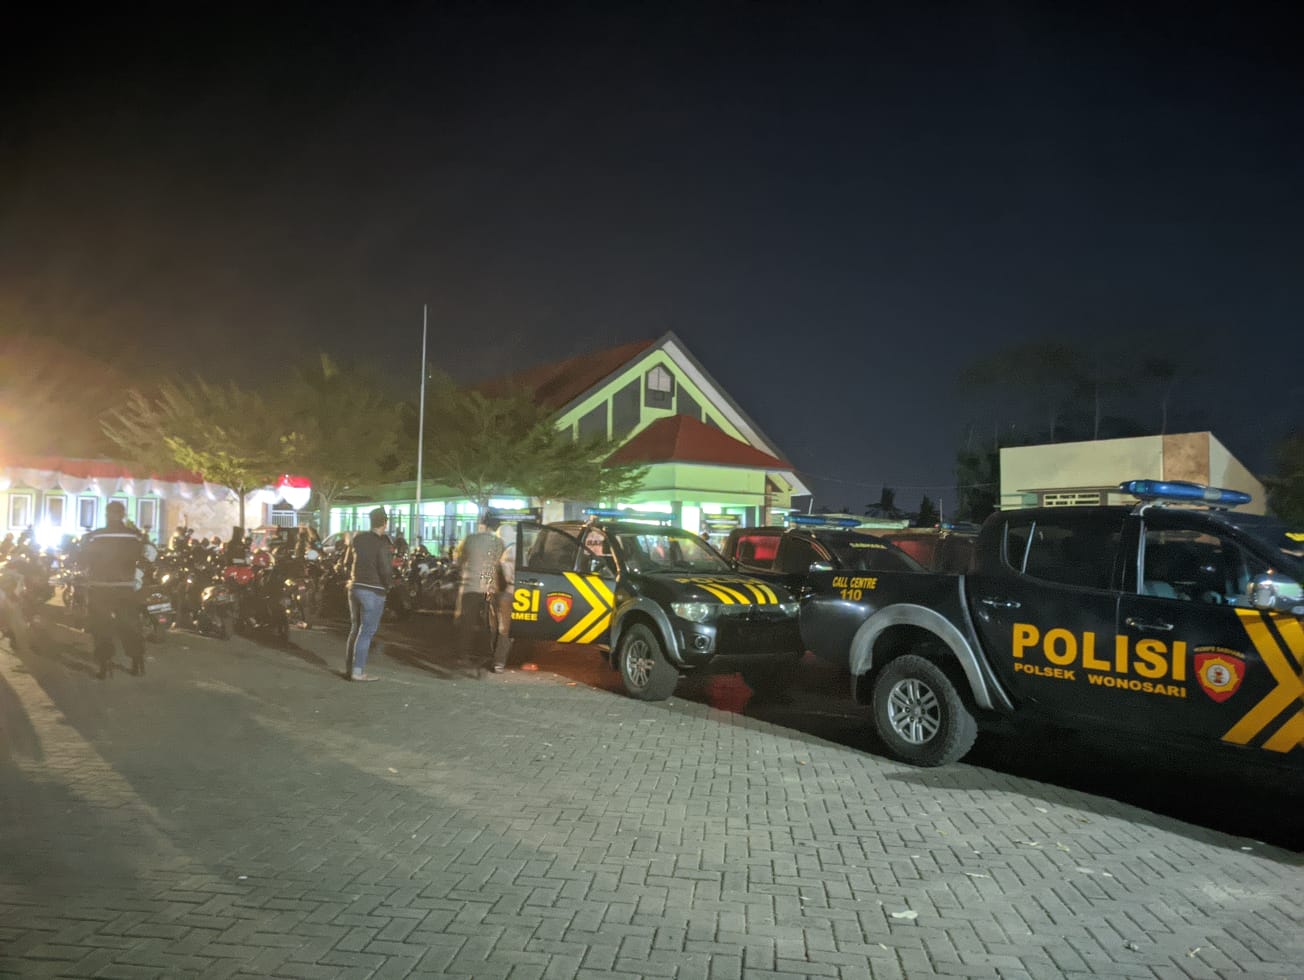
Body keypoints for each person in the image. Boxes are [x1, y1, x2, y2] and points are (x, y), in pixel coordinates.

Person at [78, 500, 148, 679]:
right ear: (123, 515)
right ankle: (137, 662)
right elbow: (147, 556)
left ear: (107, 514)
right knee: (130, 625)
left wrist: (85, 571)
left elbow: (82, 558)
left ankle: (105, 665)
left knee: (101, 626)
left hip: (100, 587)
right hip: (126, 587)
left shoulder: (95, 536)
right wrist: (137, 575)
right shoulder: (135, 536)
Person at [344, 507, 393, 681]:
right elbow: (385, 569)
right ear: (384, 523)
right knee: (366, 632)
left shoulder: (358, 539)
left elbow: (346, 562)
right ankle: (358, 671)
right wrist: (388, 585)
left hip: (355, 587)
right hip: (374, 590)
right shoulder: (383, 543)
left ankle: (350, 669)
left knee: (355, 629)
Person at [455, 514, 504, 667]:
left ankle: (463, 655)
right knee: (487, 624)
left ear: (483, 524)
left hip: (469, 586)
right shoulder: (498, 542)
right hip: (487, 588)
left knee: (467, 624)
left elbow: (460, 561)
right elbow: (495, 564)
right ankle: (485, 654)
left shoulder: (470, 539)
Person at [490, 522, 517, 673]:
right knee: (505, 629)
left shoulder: (497, 552)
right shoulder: (513, 551)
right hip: (509, 593)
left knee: (495, 627)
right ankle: (499, 662)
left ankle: (493, 657)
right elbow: (510, 576)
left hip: (495, 593)